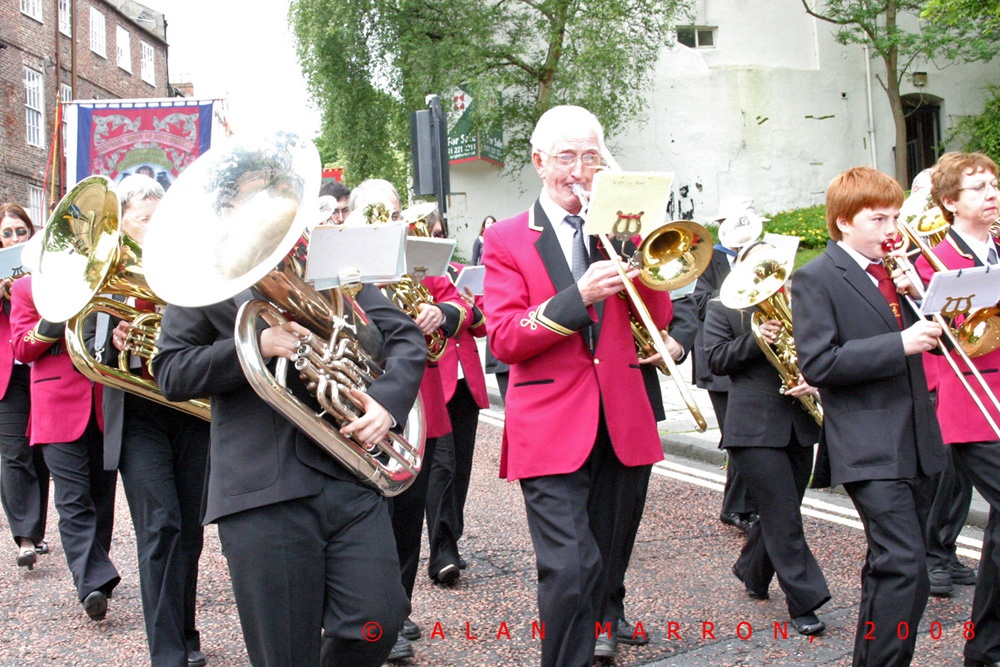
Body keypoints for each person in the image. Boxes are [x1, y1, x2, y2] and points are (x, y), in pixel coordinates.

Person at [153, 197, 427, 666]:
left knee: (378, 618)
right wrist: (252, 345)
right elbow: (171, 371)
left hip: (349, 475)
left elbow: (402, 336)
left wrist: (387, 401)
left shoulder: (324, 259)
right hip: (262, 488)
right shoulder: (204, 276)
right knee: (285, 653)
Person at [482, 105, 672, 667]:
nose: (581, 170)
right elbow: (505, 339)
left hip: (621, 418)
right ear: (539, 162)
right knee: (570, 571)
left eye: (592, 156)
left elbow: (654, 319)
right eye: (566, 157)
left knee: (605, 568)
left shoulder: (620, 229)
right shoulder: (508, 238)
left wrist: (639, 253)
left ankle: (595, 636)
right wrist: (578, 297)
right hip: (548, 422)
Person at [792, 166, 946, 667]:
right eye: (879, 219)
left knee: (899, 567)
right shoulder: (815, 277)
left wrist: (921, 300)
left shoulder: (897, 270)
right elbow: (819, 363)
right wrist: (898, 342)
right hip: (866, 442)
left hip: (918, 438)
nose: (892, 229)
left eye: (895, 216)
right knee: (903, 564)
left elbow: (942, 344)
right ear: (842, 223)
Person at [86, 175, 211, 667]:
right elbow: (88, 347)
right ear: (124, 225)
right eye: (143, 220)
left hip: (191, 410)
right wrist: (113, 339)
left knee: (192, 531)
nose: (154, 229)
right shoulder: (105, 270)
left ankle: (185, 632)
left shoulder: (192, 270)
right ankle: (167, 652)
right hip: (138, 411)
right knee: (159, 527)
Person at [344, 181, 471, 662]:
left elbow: (466, 304)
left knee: (406, 519)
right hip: (357, 402)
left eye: (393, 214)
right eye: (375, 214)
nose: (386, 223)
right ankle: (372, 616)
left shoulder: (416, 259)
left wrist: (438, 312)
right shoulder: (341, 262)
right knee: (366, 519)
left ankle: (396, 610)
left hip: (421, 406)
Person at [703, 262, 830, 636]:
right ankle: (804, 600)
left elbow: (819, 350)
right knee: (783, 515)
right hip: (753, 429)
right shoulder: (721, 308)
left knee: (784, 508)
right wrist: (758, 338)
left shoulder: (798, 302)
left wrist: (814, 378)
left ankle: (753, 571)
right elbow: (715, 360)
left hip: (798, 425)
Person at [914, 151, 1000, 667]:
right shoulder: (932, 260)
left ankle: (986, 646)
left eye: (993, 184)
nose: (991, 194)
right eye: (976, 188)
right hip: (967, 401)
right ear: (950, 202)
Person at [10, 252, 120, 620]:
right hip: (55, 403)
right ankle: (91, 580)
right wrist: (55, 313)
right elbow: (23, 347)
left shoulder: (102, 280)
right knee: (73, 498)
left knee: (102, 496)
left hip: (103, 397)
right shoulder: (26, 288)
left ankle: (96, 572)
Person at [676, 196, 766, 534]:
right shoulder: (711, 259)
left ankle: (746, 504)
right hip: (720, 363)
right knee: (738, 437)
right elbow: (698, 303)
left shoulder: (760, 253)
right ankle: (737, 507)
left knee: (752, 436)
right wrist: (734, 287)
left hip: (752, 357)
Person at [425, 211, 490, 587]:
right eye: (430, 233)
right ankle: (442, 551)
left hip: (466, 382)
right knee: (443, 466)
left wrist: (470, 304)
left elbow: (482, 326)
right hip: (436, 378)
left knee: (461, 469)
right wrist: (458, 310)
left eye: (439, 233)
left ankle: (451, 540)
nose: (436, 238)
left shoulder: (461, 271)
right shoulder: (423, 274)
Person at [0, 203, 49, 570]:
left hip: (43, 366)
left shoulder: (44, 268)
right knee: (13, 451)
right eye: (7, 233)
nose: (14, 238)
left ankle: (37, 526)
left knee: (40, 452)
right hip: (8, 375)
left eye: (20, 232)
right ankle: (25, 537)